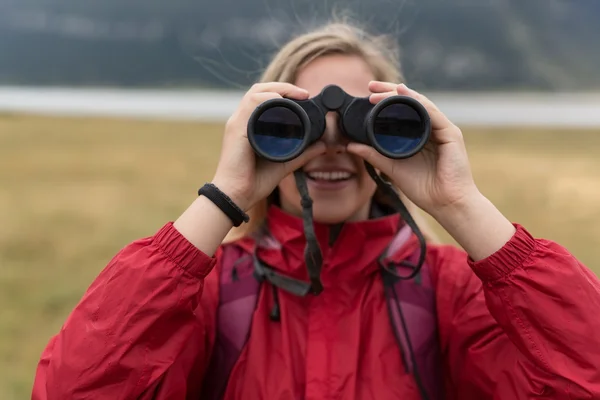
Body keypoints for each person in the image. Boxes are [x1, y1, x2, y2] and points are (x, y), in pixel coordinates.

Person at [32, 21, 600, 400]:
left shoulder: (446, 290)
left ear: (404, 130)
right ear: (253, 134)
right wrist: (222, 197)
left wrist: (461, 203)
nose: (330, 146)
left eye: (367, 122)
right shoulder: (208, 290)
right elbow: (73, 389)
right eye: (293, 124)